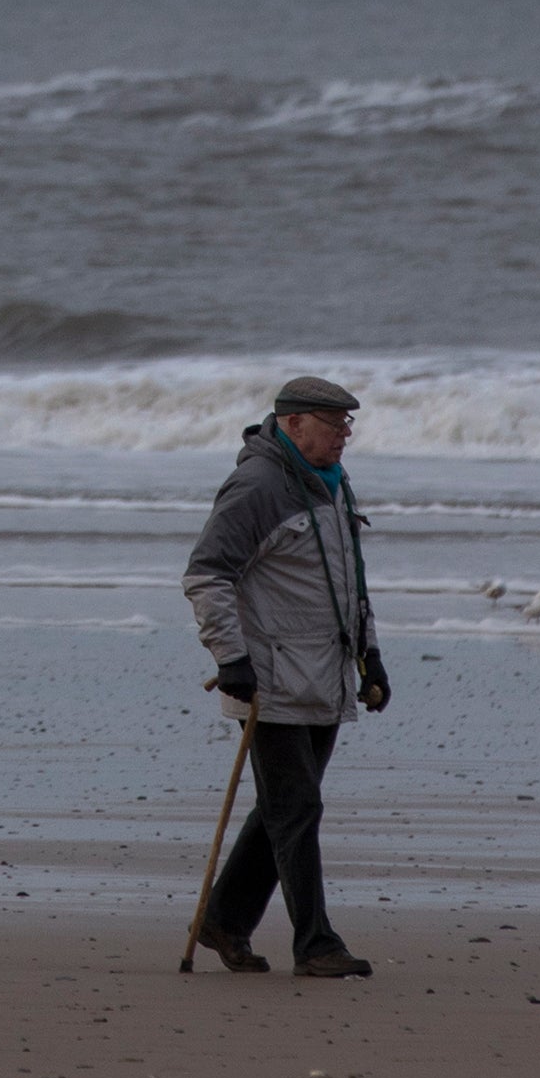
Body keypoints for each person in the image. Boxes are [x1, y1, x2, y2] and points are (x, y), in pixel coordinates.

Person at [181, 372, 388, 978]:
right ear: (294, 425)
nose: (344, 436)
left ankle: (222, 921)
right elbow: (206, 575)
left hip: (323, 675)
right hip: (267, 679)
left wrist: (369, 656)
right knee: (296, 808)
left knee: (283, 809)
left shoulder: (333, 484)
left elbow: (350, 582)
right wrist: (231, 660)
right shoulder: (257, 486)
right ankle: (317, 945)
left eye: (348, 425)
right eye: (333, 426)